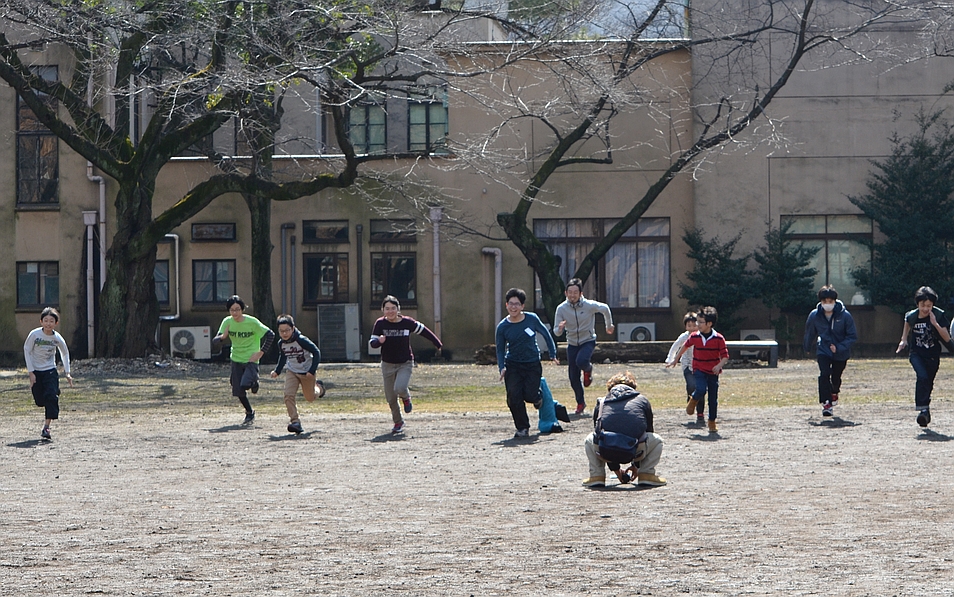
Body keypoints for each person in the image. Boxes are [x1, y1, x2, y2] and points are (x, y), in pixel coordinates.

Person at [369, 295, 442, 435]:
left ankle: (406, 398)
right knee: (390, 398)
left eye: (393, 308)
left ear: (398, 309)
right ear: (383, 310)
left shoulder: (407, 322)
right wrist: (380, 341)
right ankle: (398, 422)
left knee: (400, 387)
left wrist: (437, 343)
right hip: (387, 364)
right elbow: (372, 343)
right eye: (387, 309)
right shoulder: (380, 324)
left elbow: (424, 331)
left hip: (405, 362)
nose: (390, 311)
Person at [582, 371, 666, 488]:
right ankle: (646, 474)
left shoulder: (601, 402)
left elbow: (599, 434)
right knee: (657, 440)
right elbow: (648, 432)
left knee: (590, 439)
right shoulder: (642, 400)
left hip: (605, 451)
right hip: (636, 451)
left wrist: (615, 469)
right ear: (633, 387)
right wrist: (636, 465)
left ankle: (597, 476)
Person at [495, 288, 559, 439]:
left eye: (517, 304)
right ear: (506, 305)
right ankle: (522, 428)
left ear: (522, 306)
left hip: (532, 363)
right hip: (513, 364)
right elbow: (499, 349)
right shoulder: (503, 327)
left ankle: (538, 397)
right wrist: (502, 367)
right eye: (511, 304)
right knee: (513, 396)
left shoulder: (532, 319)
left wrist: (552, 354)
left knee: (530, 395)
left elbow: (546, 334)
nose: (514, 307)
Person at [553, 278, 615, 415]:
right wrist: (560, 329)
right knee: (573, 376)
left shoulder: (588, 305)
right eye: (570, 292)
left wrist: (609, 325)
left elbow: (605, 308)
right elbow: (556, 332)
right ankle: (580, 403)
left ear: (581, 293)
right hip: (572, 343)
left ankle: (588, 369)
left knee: (581, 361)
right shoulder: (561, 309)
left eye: (575, 292)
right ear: (565, 293)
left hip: (588, 340)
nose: (572, 295)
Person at [214, 295, 275, 426]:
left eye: (237, 309)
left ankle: (254, 383)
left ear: (242, 309)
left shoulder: (252, 322)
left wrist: (261, 352)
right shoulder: (227, 322)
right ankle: (249, 412)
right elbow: (216, 340)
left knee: (245, 384)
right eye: (232, 310)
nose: (235, 313)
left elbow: (270, 334)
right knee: (238, 390)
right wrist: (222, 337)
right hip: (236, 358)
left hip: (251, 359)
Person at [667, 306, 728, 433]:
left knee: (713, 398)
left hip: (713, 372)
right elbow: (684, 346)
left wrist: (719, 365)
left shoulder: (718, 338)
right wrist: (675, 359)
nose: (697, 324)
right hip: (699, 369)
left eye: (700, 322)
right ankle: (693, 400)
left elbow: (725, 356)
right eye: (697, 321)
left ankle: (712, 421)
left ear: (709, 324)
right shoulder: (694, 336)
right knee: (700, 389)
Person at [897, 286, 951, 428]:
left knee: (928, 382)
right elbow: (907, 324)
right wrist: (903, 340)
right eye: (923, 305)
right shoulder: (912, 316)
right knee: (922, 377)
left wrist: (935, 324)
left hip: (933, 355)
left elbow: (946, 337)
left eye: (929, 305)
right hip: (917, 354)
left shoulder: (938, 315)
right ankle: (922, 407)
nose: (926, 309)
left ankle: (925, 411)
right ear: (917, 304)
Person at [803, 285, 857, 417]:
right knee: (824, 374)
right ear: (820, 302)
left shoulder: (845, 316)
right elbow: (810, 332)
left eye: (830, 301)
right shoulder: (815, 315)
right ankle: (826, 403)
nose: (827, 304)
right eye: (824, 301)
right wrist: (807, 347)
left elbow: (852, 336)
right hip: (823, 349)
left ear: (835, 301)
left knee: (836, 377)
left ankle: (834, 392)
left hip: (841, 352)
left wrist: (839, 347)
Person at [23, 307, 74, 440]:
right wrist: (31, 373)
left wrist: (67, 372)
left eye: (51, 321)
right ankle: (51, 393)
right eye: (46, 320)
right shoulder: (34, 335)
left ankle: (46, 427)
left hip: (50, 370)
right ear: (41, 321)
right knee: (40, 401)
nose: (48, 323)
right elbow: (27, 350)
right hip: (36, 371)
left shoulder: (57, 338)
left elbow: (65, 352)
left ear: (56, 323)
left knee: (51, 397)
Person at [270, 314, 324, 435]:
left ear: (293, 328)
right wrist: (277, 371)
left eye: (287, 330)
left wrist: (312, 370)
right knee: (288, 395)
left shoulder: (301, 340)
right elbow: (283, 356)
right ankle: (295, 422)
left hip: (306, 373)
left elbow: (316, 352)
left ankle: (319, 388)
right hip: (292, 371)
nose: (284, 333)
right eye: (281, 331)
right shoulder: (281, 343)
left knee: (310, 398)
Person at [666, 312, 700, 424]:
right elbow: (675, 347)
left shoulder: (702, 336)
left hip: (700, 365)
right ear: (685, 326)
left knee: (701, 388)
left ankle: (700, 413)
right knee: (691, 385)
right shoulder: (684, 337)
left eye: (694, 325)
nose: (692, 328)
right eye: (689, 326)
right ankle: (690, 396)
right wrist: (670, 359)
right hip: (687, 364)